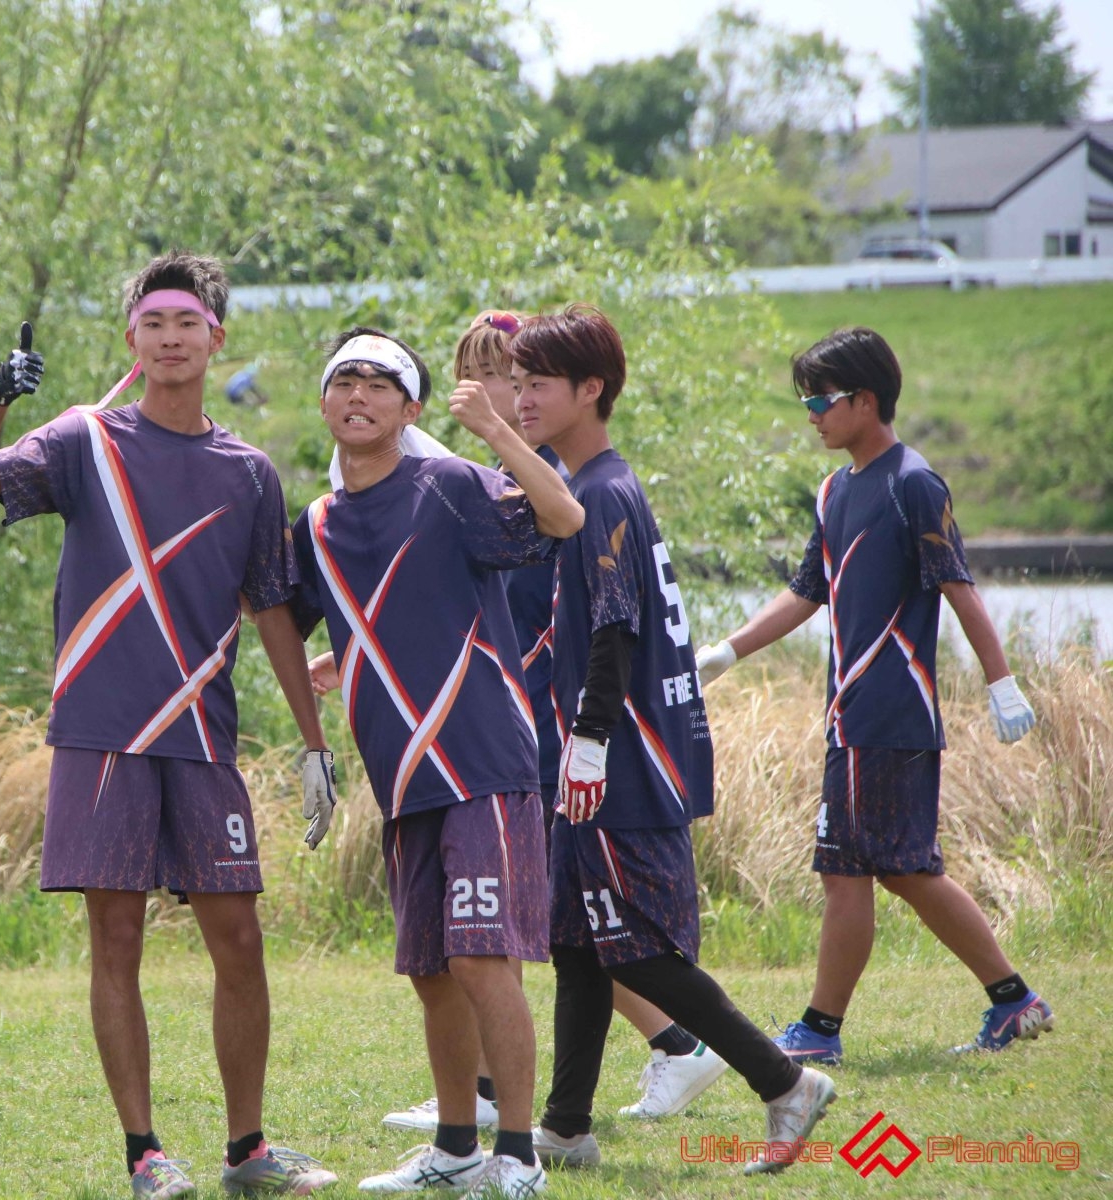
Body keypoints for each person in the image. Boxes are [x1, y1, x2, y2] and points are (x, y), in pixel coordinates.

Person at [0, 252, 340, 1199]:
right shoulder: (83, 439)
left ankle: (248, 1151)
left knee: (238, 940)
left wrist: (315, 746)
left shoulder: (250, 473)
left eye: (187, 322)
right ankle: (145, 1154)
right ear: (133, 338)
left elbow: (274, 614)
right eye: (154, 322)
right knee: (116, 937)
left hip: (202, 735)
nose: (171, 338)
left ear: (216, 338)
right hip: (102, 734)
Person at [355, 312, 729, 1137]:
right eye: (484, 374)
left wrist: (587, 739)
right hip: (525, 725)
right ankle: (589, 1087)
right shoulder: (507, 479)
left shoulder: (559, 486)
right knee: (558, 926)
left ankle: (696, 1055)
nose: (495, 393)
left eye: (507, 376)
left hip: (553, 733)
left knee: (547, 923)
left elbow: (598, 624)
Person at [513, 304, 834, 1176]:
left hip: (620, 763)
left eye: (538, 382)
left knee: (639, 948)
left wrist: (588, 742)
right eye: (517, 381)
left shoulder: (601, 492)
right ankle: (565, 1126)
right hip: (602, 758)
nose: (522, 397)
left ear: (591, 389)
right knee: (579, 943)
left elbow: (614, 628)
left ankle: (786, 1082)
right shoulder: (584, 484)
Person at [697, 326, 1049, 1061]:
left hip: (890, 713)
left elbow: (959, 587)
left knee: (859, 870)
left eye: (820, 400)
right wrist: (726, 652)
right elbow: (807, 591)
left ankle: (821, 1032)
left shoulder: (912, 482)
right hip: (849, 716)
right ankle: (1012, 1001)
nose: (811, 415)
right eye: (805, 402)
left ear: (865, 399)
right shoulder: (834, 490)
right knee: (895, 869)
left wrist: (1002, 683)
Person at [288, 326, 581, 1198]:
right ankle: (456, 1149)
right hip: (402, 778)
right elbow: (276, 615)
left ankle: (518, 1155)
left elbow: (563, 519)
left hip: (482, 764)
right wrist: (315, 722)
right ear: (324, 402)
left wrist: (494, 430)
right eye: (344, 380)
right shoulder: (317, 523)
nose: (359, 395)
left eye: (380, 383)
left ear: (411, 409)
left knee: (484, 958)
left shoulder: (449, 483)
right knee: (432, 971)